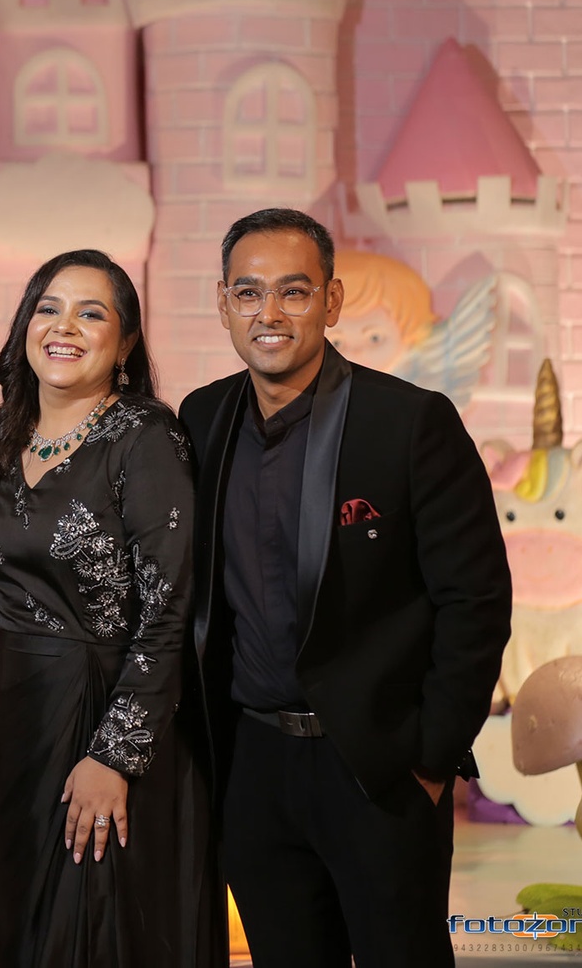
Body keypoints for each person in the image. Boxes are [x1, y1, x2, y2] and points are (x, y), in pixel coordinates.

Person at [178, 208, 511, 967]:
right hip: (252, 761)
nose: (269, 313)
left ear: (331, 301)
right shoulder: (202, 418)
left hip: (377, 765)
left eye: (293, 291)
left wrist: (430, 759)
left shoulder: (409, 421)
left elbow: (476, 600)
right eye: (248, 292)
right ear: (223, 304)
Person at [0, 250, 214, 966]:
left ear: (126, 341)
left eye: (91, 313)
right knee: (24, 927)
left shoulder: (145, 437)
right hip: (20, 719)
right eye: (48, 308)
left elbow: (169, 608)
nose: (64, 326)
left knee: (97, 931)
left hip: (112, 716)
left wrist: (114, 755)